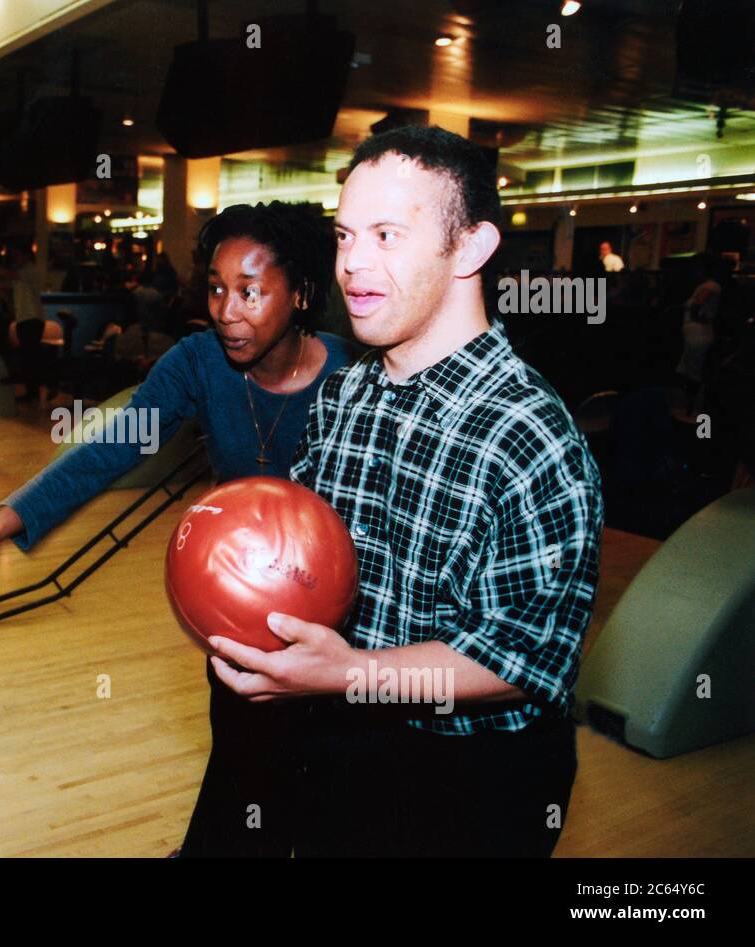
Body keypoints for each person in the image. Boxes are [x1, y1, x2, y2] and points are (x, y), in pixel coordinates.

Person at [0, 202, 357, 855]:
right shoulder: (201, 361)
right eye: (217, 288)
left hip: (338, 617)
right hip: (238, 613)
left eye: (250, 291)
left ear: (303, 292)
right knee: (241, 756)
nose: (227, 309)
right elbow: (108, 447)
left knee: (318, 781)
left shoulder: (355, 378)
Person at [205, 126, 604, 857]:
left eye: (387, 234)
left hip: (470, 776)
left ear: (472, 248)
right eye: (346, 234)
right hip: (340, 734)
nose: (353, 262)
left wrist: (351, 673)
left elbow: (524, 659)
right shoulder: (347, 392)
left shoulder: (528, 435)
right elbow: (312, 559)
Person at [675, 253, 722, 415]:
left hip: (698, 334)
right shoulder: (707, 285)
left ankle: (694, 409)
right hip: (696, 333)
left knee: (693, 372)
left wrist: (697, 316)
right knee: (691, 370)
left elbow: (698, 303)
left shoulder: (709, 286)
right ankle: (692, 408)